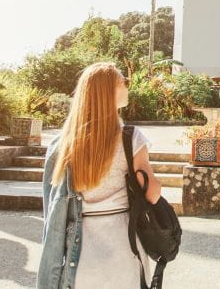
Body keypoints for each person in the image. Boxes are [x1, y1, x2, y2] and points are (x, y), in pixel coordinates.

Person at [37, 62, 162, 289]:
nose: (128, 86)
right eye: (124, 82)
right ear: (109, 91)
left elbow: (52, 214)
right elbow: (152, 194)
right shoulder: (131, 138)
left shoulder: (62, 145)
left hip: (81, 257)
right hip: (123, 252)